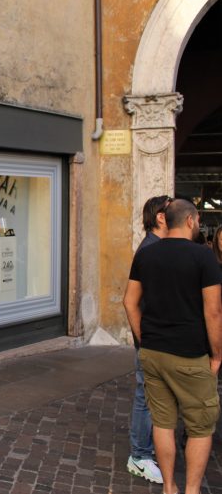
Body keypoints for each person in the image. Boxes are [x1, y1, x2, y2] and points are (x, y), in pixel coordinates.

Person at [123, 198, 222, 494]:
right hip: (190, 353)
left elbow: (129, 301)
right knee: (200, 427)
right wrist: (217, 354)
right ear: (191, 221)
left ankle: (169, 487)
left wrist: (144, 339)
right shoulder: (203, 257)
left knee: (163, 423)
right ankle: (191, 490)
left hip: (153, 352)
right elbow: (213, 311)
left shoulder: (146, 254)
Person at [125, 195, 170, 484]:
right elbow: (131, 302)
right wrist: (145, 342)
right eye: (171, 209)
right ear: (161, 218)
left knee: (152, 397)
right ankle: (140, 456)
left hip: (156, 341)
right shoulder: (150, 251)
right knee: (146, 397)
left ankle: (146, 451)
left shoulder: (159, 248)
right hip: (151, 341)